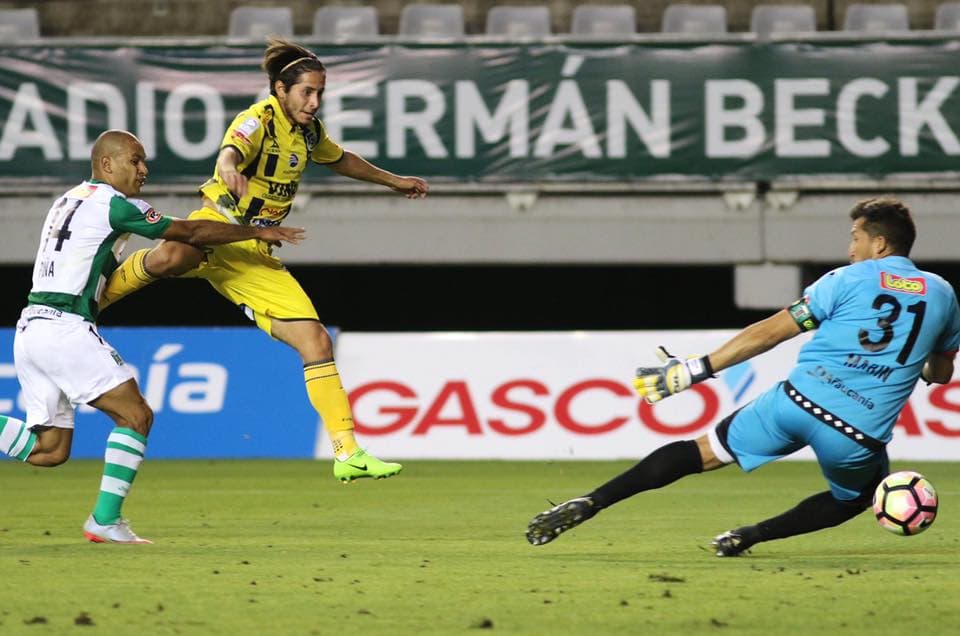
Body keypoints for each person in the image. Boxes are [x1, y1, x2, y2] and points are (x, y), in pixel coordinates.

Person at [526, 197, 960, 555]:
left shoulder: (843, 280)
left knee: (699, 453)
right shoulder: (943, 294)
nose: (850, 249)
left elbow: (769, 332)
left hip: (796, 402)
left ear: (880, 244)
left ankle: (595, 500)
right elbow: (941, 373)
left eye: (856, 238)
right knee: (856, 498)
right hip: (856, 433)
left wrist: (699, 368)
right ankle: (748, 536)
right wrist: (914, 356)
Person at [100, 38, 428, 482]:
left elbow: (341, 158)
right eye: (306, 92)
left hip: (253, 252)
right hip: (217, 226)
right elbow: (234, 148)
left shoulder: (309, 132)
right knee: (171, 256)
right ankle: (86, 307)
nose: (314, 102)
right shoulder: (259, 119)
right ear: (280, 89)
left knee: (316, 342)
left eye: (319, 93)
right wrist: (230, 165)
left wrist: (393, 181)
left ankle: (347, 452)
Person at [0, 130, 303, 543]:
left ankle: (104, 521)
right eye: (135, 161)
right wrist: (256, 232)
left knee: (50, 450)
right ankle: (104, 521)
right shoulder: (114, 205)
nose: (143, 170)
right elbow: (189, 233)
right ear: (107, 164)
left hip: (31, 326)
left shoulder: (66, 200)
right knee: (135, 416)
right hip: (64, 329)